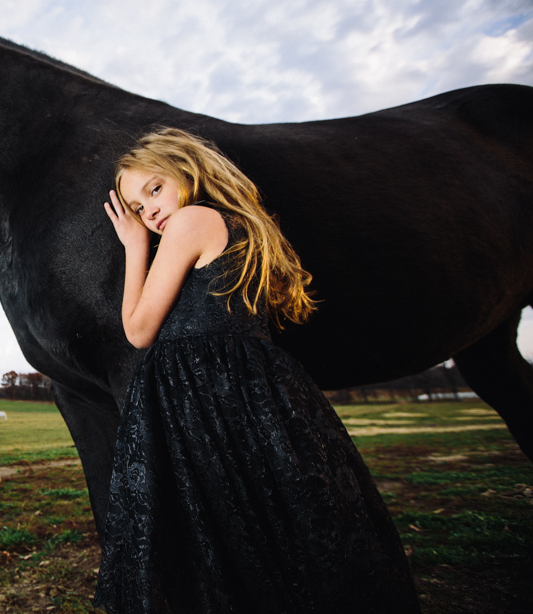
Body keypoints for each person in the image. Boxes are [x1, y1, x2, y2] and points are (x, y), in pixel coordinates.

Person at [93, 128, 419, 613]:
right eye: (137, 208)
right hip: (244, 391)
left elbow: (139, 330)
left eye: (154, 189)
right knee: (271, 520)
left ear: (188, 170)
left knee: (227, 522)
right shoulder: (235, 224)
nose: (149, 212)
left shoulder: (192, 221)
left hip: (209, 395)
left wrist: (134, 245)